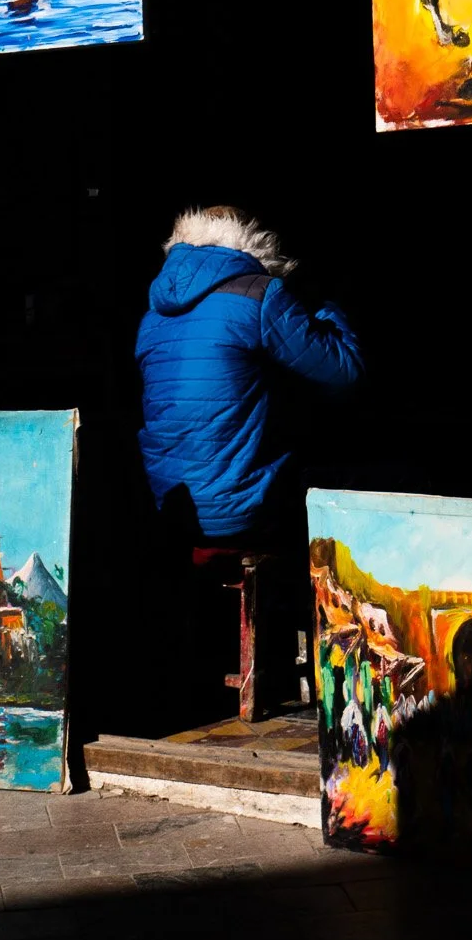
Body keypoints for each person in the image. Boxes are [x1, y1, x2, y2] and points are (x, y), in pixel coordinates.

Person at [137, 205, 364, 722]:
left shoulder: (153, 311)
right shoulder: (260, 295)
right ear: (249, 241)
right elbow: (343, 373)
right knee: (335, 502)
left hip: (174, 515)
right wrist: (327, 307)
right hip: (240, 517)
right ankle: (331, 679)